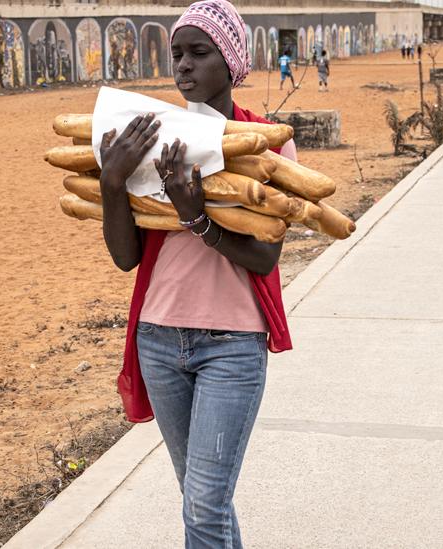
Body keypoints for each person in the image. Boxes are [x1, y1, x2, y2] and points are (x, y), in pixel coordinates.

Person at [96, 0, 294, 546]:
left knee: (204, 503)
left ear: (231, 62)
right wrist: (114, 184)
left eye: (198, 53)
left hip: (231, 344)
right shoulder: (154, 135)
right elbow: (126, 257)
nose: (183, 66)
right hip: (158, 340)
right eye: (176, 54)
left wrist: (197, 218)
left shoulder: (267, 142)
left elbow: (265, 258)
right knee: (201, 499)